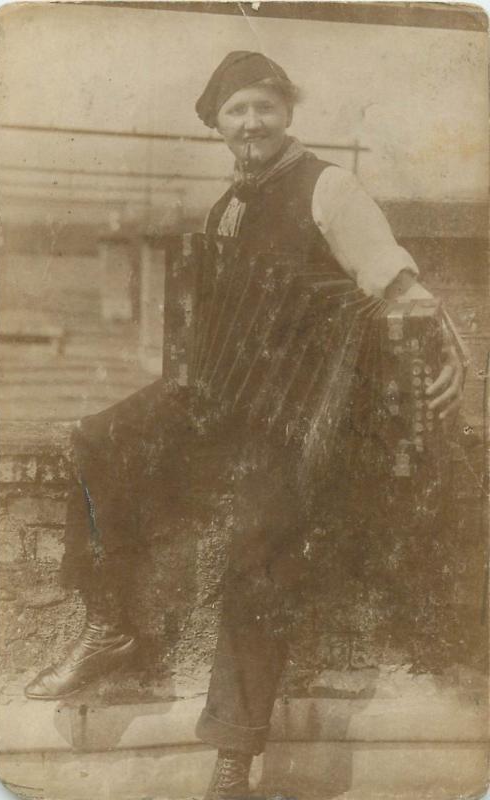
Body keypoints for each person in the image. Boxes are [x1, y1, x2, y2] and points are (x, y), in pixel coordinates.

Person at [24, 52, 464, 800]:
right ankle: (111, 626)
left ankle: (234, 756)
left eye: (264, 107)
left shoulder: (330, 186)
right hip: (228, 399)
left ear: (286, 112)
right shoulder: (227, 204)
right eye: (237, 111)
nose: (252, 123)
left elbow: (393, 278)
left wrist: (434, 321)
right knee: (96, 440)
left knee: (259, 550)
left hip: (305, 415)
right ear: (217, 125)